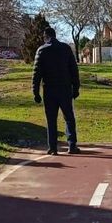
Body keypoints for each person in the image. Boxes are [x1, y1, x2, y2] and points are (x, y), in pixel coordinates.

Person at [32, 27, 81, 155]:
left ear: (45, 37)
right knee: (69, 117)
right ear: (55, 35)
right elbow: (74, 70)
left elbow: (36, 73)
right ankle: (72, 145)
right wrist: (76, 87)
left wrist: (35, 92)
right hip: (65, 88)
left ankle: (53, 147)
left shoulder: (41, 51)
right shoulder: (65, 49)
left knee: (51, 119)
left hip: (49, 89)